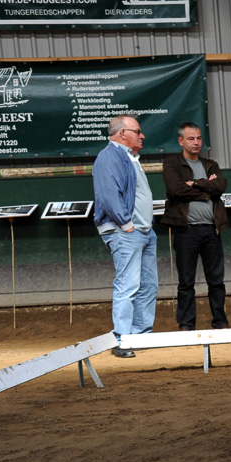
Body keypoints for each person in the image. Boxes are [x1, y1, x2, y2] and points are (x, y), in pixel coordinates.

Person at [92, 114, 157, 358]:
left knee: (147, 285)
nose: (142, 135)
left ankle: (139, 336)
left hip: (143, 232)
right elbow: (109, 194)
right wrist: (126, 224)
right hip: (126, 231)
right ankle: (122, 339)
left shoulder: (129, 158)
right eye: (137, 131)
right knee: (128, 285)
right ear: (122, 134)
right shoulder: (109, 157)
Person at [161, 122, 230, 331]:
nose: (196, 142)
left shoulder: (211, 164)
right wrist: (206, 188)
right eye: (191, 139)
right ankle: (186, 324)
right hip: (186, 231)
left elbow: (221, 186)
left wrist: (195, 183)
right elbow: (176, 190)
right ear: (181, 141)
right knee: (186, 282)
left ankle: (220, 321)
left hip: (212, 229)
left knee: (216, 280)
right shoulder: (172, 163)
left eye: (199, 138)